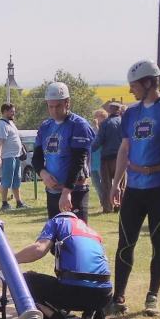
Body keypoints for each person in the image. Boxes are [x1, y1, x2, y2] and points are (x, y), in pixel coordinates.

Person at [108, 59, 160, 317]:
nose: (130, 90)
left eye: (134, 85)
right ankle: (118, 297)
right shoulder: (130, 113)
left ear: (148, 83)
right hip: (134, 187)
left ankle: (152, 295)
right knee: (125, 242)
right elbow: (124, 148)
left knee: (159, 242)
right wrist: (116, 183)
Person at [3, 211, 112, 319]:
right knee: (90, 280)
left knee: (24, 281)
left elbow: (39, 248)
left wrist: (7, 260)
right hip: (103, 296)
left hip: (74, 291)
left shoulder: (57, 222)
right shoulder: (92, 232)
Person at [32, 82, 94, 221]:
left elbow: (78, 161)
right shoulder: (45, 126)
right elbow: (36, 158)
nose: (54, 111)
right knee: (55, 233)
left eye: (58, 106)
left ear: (67, 103)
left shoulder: (79, 125)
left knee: (75, 233)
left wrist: (67, 191)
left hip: (75, 191)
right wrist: (43, 174)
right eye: (51, 106)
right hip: (53, 191)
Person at [92, 102, 125, 213]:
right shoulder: (124, 122)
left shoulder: (105, 123)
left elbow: (99, 141)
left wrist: (89, 149)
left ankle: (107, 207)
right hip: (121, 157)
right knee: (120, 183)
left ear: (110, 110)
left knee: (106, 184)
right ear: (119, 110)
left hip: (106, 158)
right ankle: (119, 206)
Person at [0, 103, 27, 210]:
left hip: (16, 156)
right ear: (5, 112)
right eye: (11, 111)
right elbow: (0, 142)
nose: (13, 113)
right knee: (6, 181)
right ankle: (4, 203)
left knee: (17, 180)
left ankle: (19, 202)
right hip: (8, 156)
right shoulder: (1, 124)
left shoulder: (10, 123)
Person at [89, 110, 107, 208]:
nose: (95, 118)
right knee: (96, 183)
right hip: (92, 161)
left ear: (103, 117)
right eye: (95, 116)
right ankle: (102, 200)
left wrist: (96, 127)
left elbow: (99, 140)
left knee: (105, 182)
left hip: (102, 160)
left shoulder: (105, 128)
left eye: (98, 116)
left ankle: (107, 202)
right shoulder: (92, 128)